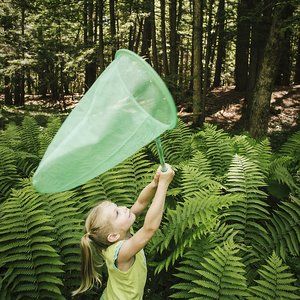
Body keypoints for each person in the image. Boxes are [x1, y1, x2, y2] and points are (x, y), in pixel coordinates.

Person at [72, 163, 175, 299]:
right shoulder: (121, 253)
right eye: (117, 213)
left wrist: (155, 183)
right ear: (113, 236)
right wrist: (164, 185)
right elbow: (149, 229)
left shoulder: (121, 231)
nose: (123, 208)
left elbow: (141, 203)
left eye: (117, 206)